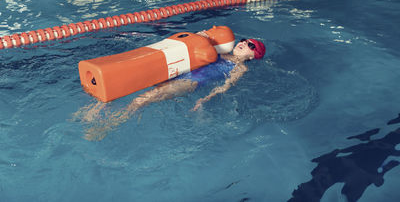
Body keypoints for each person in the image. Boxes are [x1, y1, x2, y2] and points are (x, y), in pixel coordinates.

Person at [73, 31, 266, 140]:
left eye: (251, 45)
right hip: (175, 73)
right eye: (243, 40)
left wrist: (204, 99)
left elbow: (224, 87)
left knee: (142, 100)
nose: (243, 43)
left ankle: (106, 127)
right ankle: (92, 110)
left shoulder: (240, 69)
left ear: (253, 56)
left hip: (189, 83)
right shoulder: (219, 53)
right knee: (126, 86)